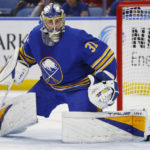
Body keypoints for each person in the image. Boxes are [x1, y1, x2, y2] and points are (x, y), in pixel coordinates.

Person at [2, 3, 118, 118]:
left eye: (57, 21)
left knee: (82, 121)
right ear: (43, 22)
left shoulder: (77, 37)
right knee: (18, 113)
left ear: (62, 21)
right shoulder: (35, 36)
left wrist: (106, 81)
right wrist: (17, 66)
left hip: (79, 89)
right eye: (49, 22)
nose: (53, 26)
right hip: (48, 88)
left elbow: (106, 58)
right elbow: (23, 58)